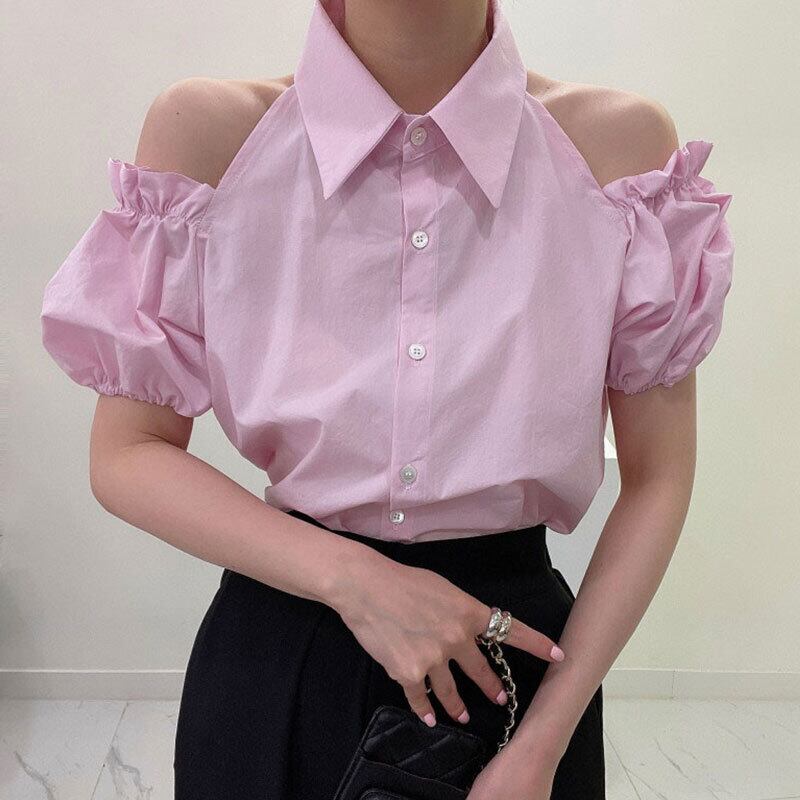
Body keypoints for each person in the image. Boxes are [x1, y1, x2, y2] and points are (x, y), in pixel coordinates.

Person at [39, 0, 735, 797]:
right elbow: (127, 452)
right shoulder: (211, 135)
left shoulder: (619, 153)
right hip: (280, 652)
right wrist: (358, 580)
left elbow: (659, 478)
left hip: (517, 678)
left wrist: (545, 739)